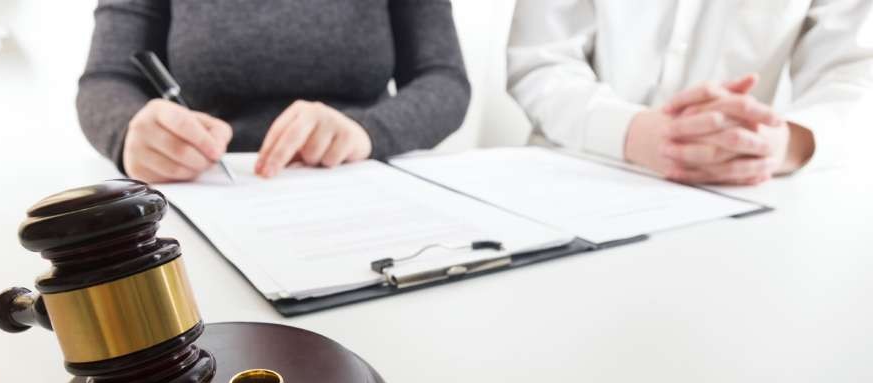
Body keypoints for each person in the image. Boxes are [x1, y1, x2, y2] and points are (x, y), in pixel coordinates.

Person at [77, 0, 470, 183]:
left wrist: (367, 130)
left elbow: (444, 79)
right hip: (207, 186)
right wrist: (130, 131)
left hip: (361, 179)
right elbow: (106, 80)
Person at [507, 0, 873, 185]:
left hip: (743, 190)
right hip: (572, 173)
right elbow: (540, 62)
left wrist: (784, 144)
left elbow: (853, 74)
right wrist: (631, 132)